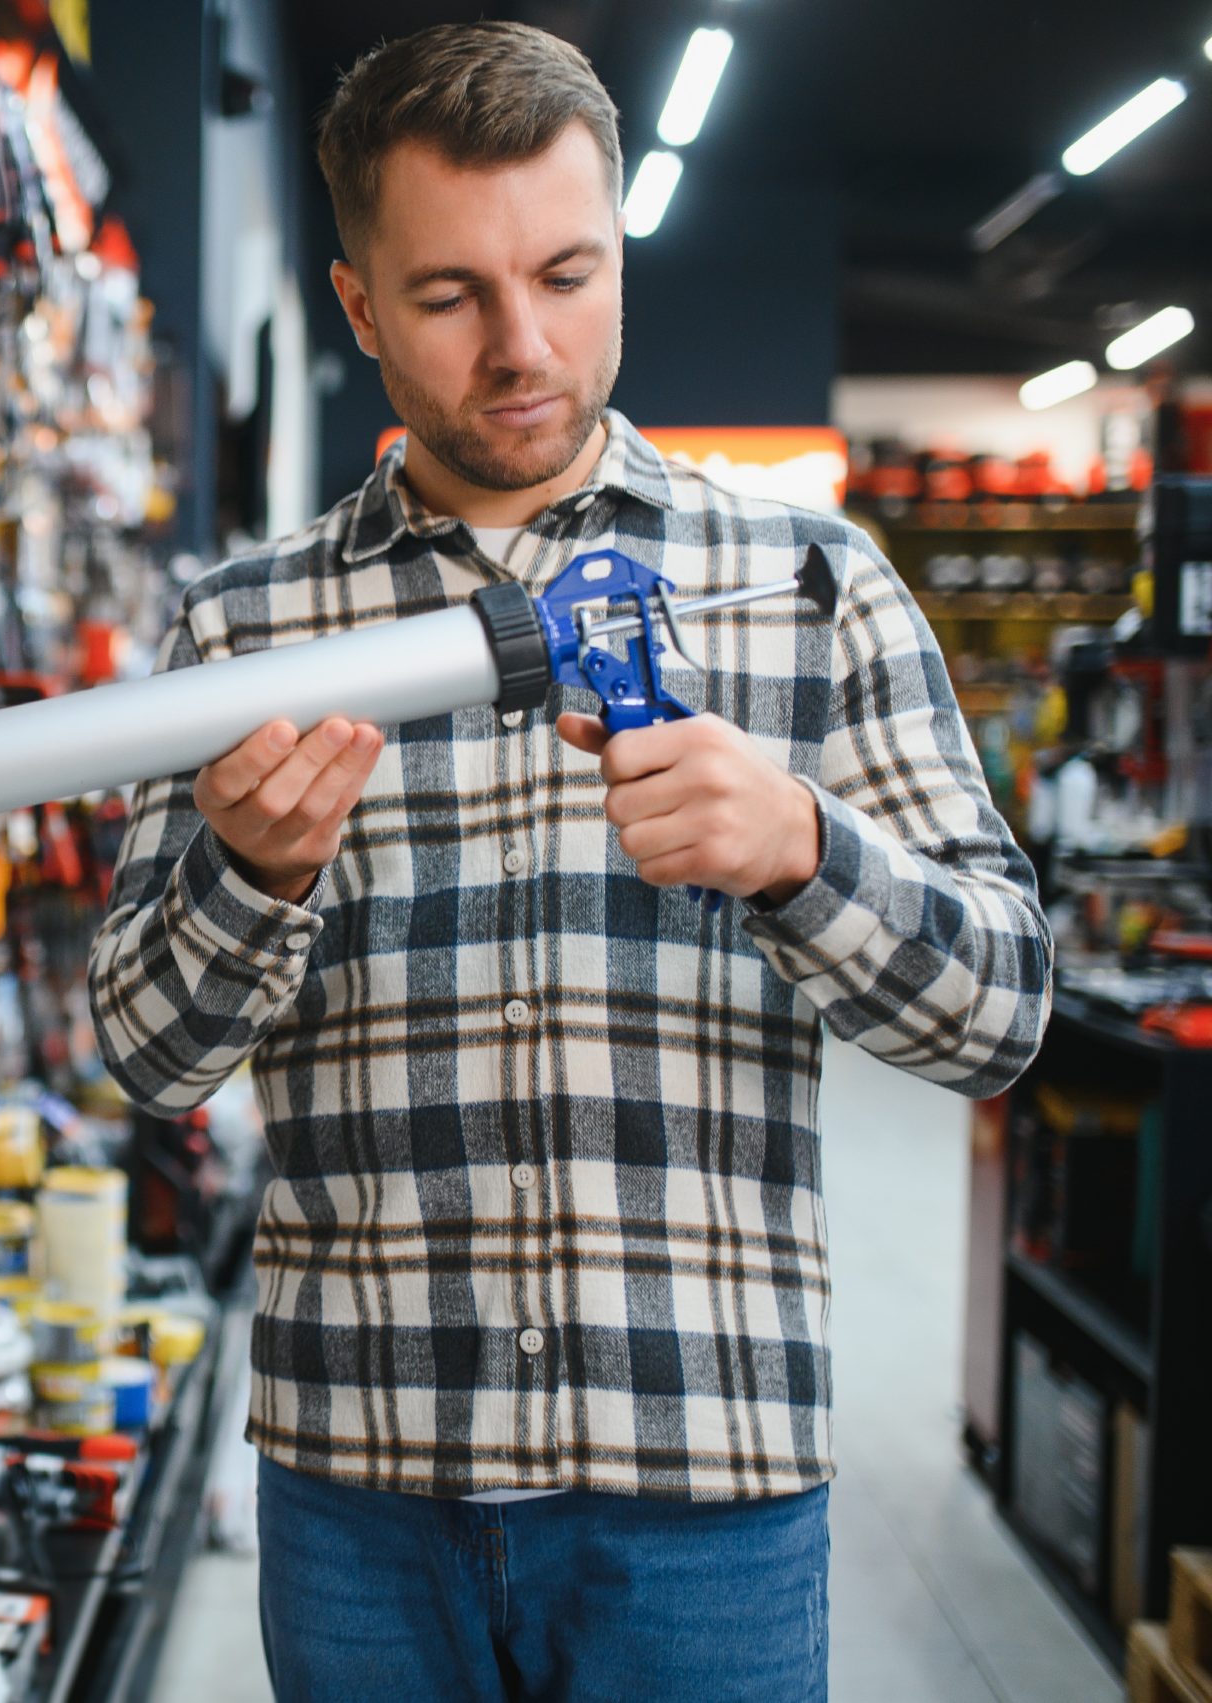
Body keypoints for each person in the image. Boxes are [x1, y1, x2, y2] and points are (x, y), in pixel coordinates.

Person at [86, 21, 1050, 1702]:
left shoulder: (807, 585)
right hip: (365, 1492)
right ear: (359, 307)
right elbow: (148, 1058)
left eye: (567, 275)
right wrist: (252, 877)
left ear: (619, 257)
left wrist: (800, 853)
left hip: (706, 1487)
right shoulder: (249, 631)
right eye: (450, 295)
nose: (521, 346)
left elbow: (1003, 1013)